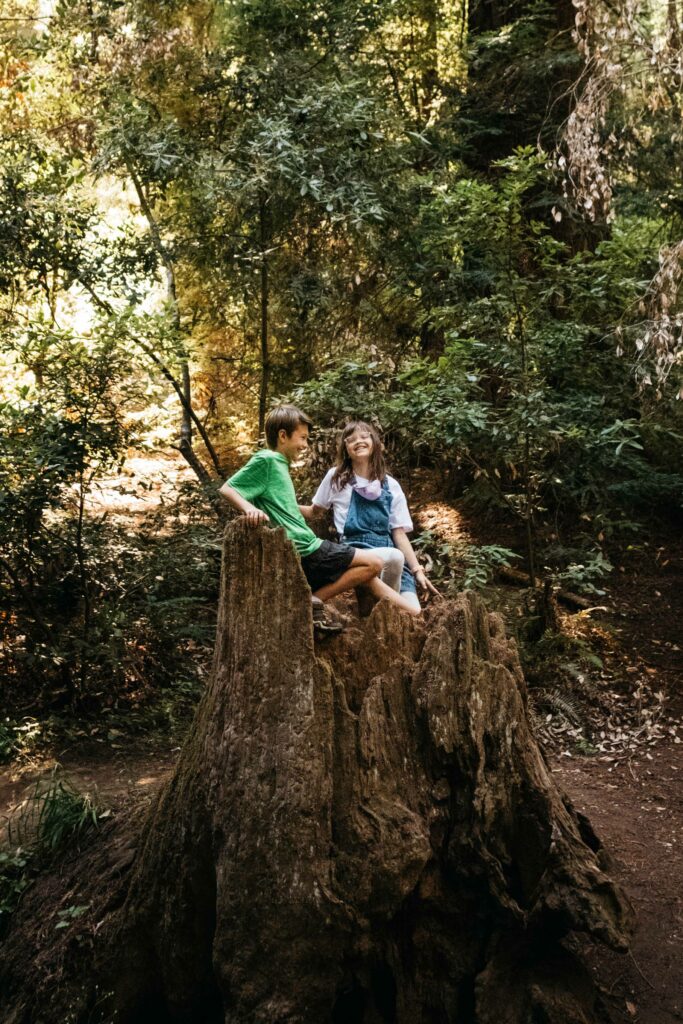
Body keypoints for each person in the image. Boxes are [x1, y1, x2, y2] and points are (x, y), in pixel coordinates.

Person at [219, 405, 419, 630]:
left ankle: (330, 604)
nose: (305, 445)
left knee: (374, 566)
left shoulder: (281, 465)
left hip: (307, 542)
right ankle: (314, 600)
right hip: (306, 545)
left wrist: (417, 570)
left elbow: (292, 508)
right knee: (374, 564)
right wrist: (249, 509)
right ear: (283, 436)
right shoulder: (267, 460)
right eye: (303, 438)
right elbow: (228, 489)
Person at [302, 420, 439, 614]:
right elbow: (314, 511)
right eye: (351, 439)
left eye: (364, 436)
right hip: (356, 555)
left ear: (374, 442)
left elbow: (399, 533)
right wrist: (279, 504)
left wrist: (417, 570)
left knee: (413, 608)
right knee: (395, 562)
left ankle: (376, 607)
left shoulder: (391, 485)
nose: (358, 441)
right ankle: (379, 609)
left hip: (392, 562)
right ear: (345, 449)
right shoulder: (336, 477)